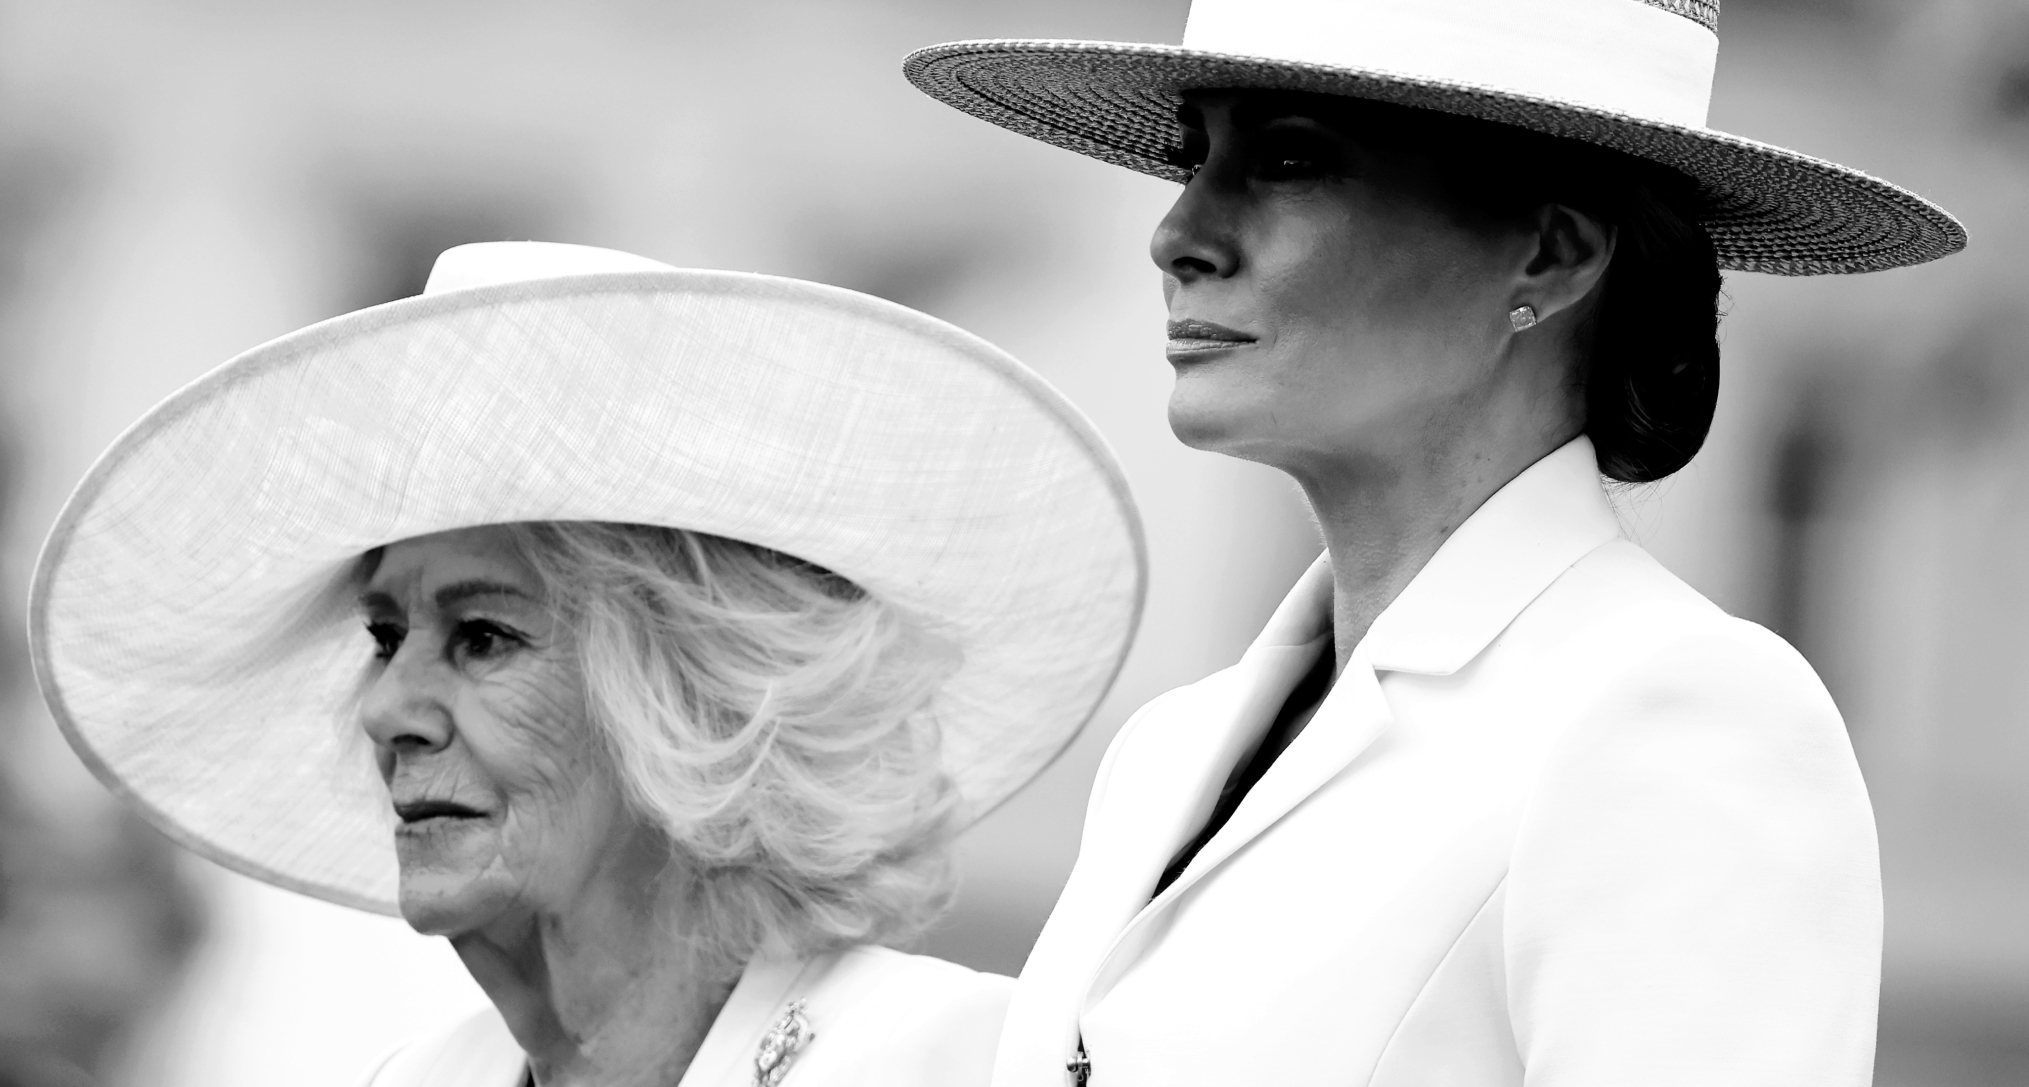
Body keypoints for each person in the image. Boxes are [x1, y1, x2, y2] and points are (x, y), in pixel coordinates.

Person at [905, 1, 1964, 1084]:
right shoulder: (1167, 752)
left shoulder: (1671, 718)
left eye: (1287, 160)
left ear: (1550, 252)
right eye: (1192, 156)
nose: (1177, 235)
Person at [29, 242, 1146, 1087]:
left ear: (696, 699)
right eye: (385, 636)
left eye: (483, 636)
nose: (386, 707)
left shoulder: (955, 1063)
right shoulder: (417, 1078)